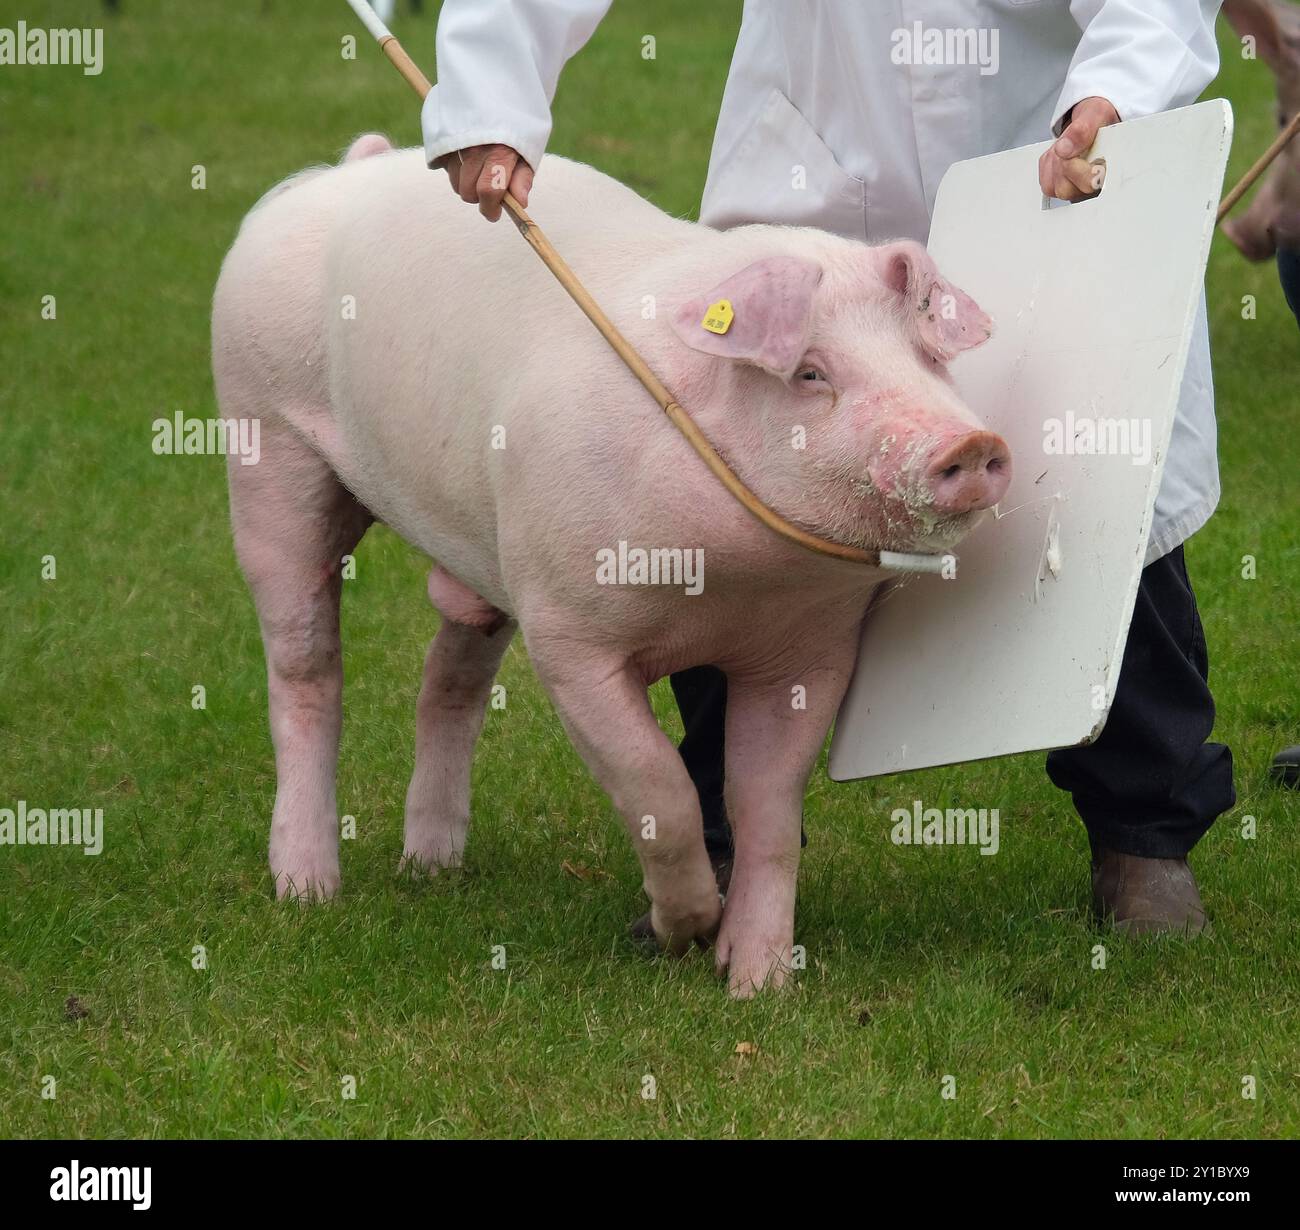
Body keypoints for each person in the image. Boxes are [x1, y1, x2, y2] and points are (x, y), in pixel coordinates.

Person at [422, 0, 1235, 934]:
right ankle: (724, 837)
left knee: (1102, 496)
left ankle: (1143, 831)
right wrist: (492, 91)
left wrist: (1117, 90)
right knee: (733, 514)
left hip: (1048, 162)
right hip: (815, 173)